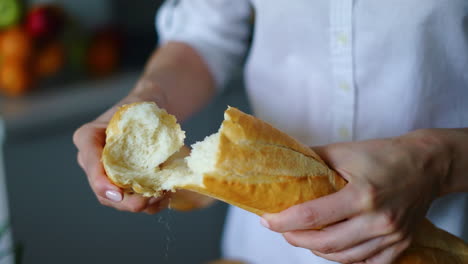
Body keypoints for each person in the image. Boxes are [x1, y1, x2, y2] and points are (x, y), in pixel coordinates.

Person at [73, 1, 468, 263]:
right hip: (268, 241)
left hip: (445, 229)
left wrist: (440, 161)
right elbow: (205, 33)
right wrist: (147, 97)